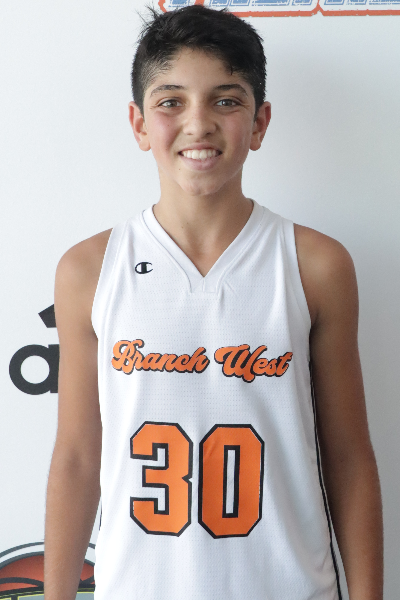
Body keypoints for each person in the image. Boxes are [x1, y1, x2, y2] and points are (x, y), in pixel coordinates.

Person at [44, 5, 383, 600]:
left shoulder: (316, 265)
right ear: (139, 123)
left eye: (225, 100)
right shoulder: (89, 270)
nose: (198, 123)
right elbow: (76, 457)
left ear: (259, 122)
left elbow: (349, 457)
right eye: (171, 101)